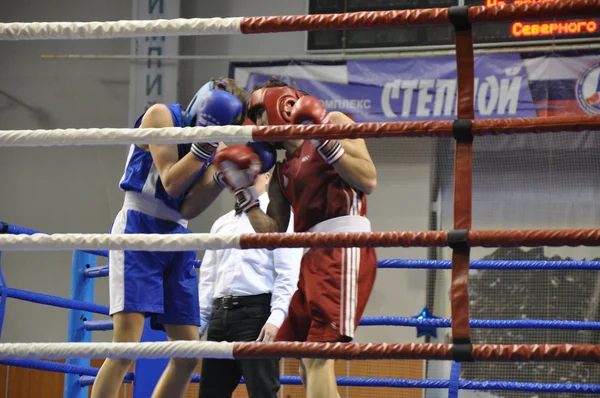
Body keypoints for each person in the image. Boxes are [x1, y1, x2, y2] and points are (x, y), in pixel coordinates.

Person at [212, 78, 378, 398]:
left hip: (344, 246)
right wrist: (245, 197)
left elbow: (368, 179)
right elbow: (273, 232)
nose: (257, 123)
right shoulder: (281, 170)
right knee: (306, 357)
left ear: (283, 104)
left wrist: (326, 141)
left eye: (259, 113)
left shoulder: (335, 122)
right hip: (311, 256)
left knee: (317, 357)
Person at [91, 78, 247, 398]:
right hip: (138, 227)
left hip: (179, 235)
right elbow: (171, 183)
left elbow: (189, 206)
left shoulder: (214, 145)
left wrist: (220, 177)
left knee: (189, 354)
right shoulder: (161, 115)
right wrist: (205, 146)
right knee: (126, 346)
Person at [197, 171, 302, 398]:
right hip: (219, 317)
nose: (245, 179)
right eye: (241, 174)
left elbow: (288, 274)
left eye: (252, 173)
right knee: (210, 394)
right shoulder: (221, 223)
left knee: (262, 393)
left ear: (266, 176)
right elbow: (208, 275)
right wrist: (201, 319)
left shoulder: (281, 218)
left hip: (257, 317)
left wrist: (276, 318)